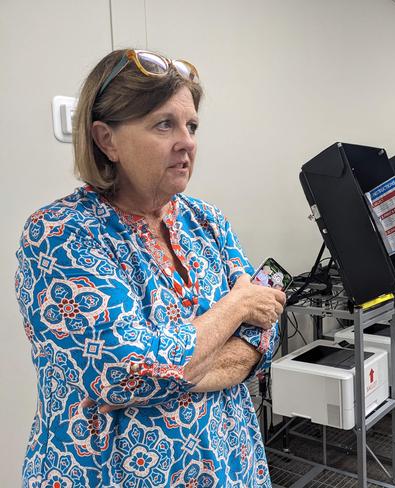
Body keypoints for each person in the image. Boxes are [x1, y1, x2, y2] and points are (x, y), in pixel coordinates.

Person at [15, 49, 286, 487]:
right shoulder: (60, 234)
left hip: (228, 463)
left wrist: (182, 371)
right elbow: (127, 372)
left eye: (192, 125)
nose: (187, 141)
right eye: (164, 124)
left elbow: (265, 333)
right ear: (107, 140)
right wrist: (236, 307)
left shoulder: (207, 221)